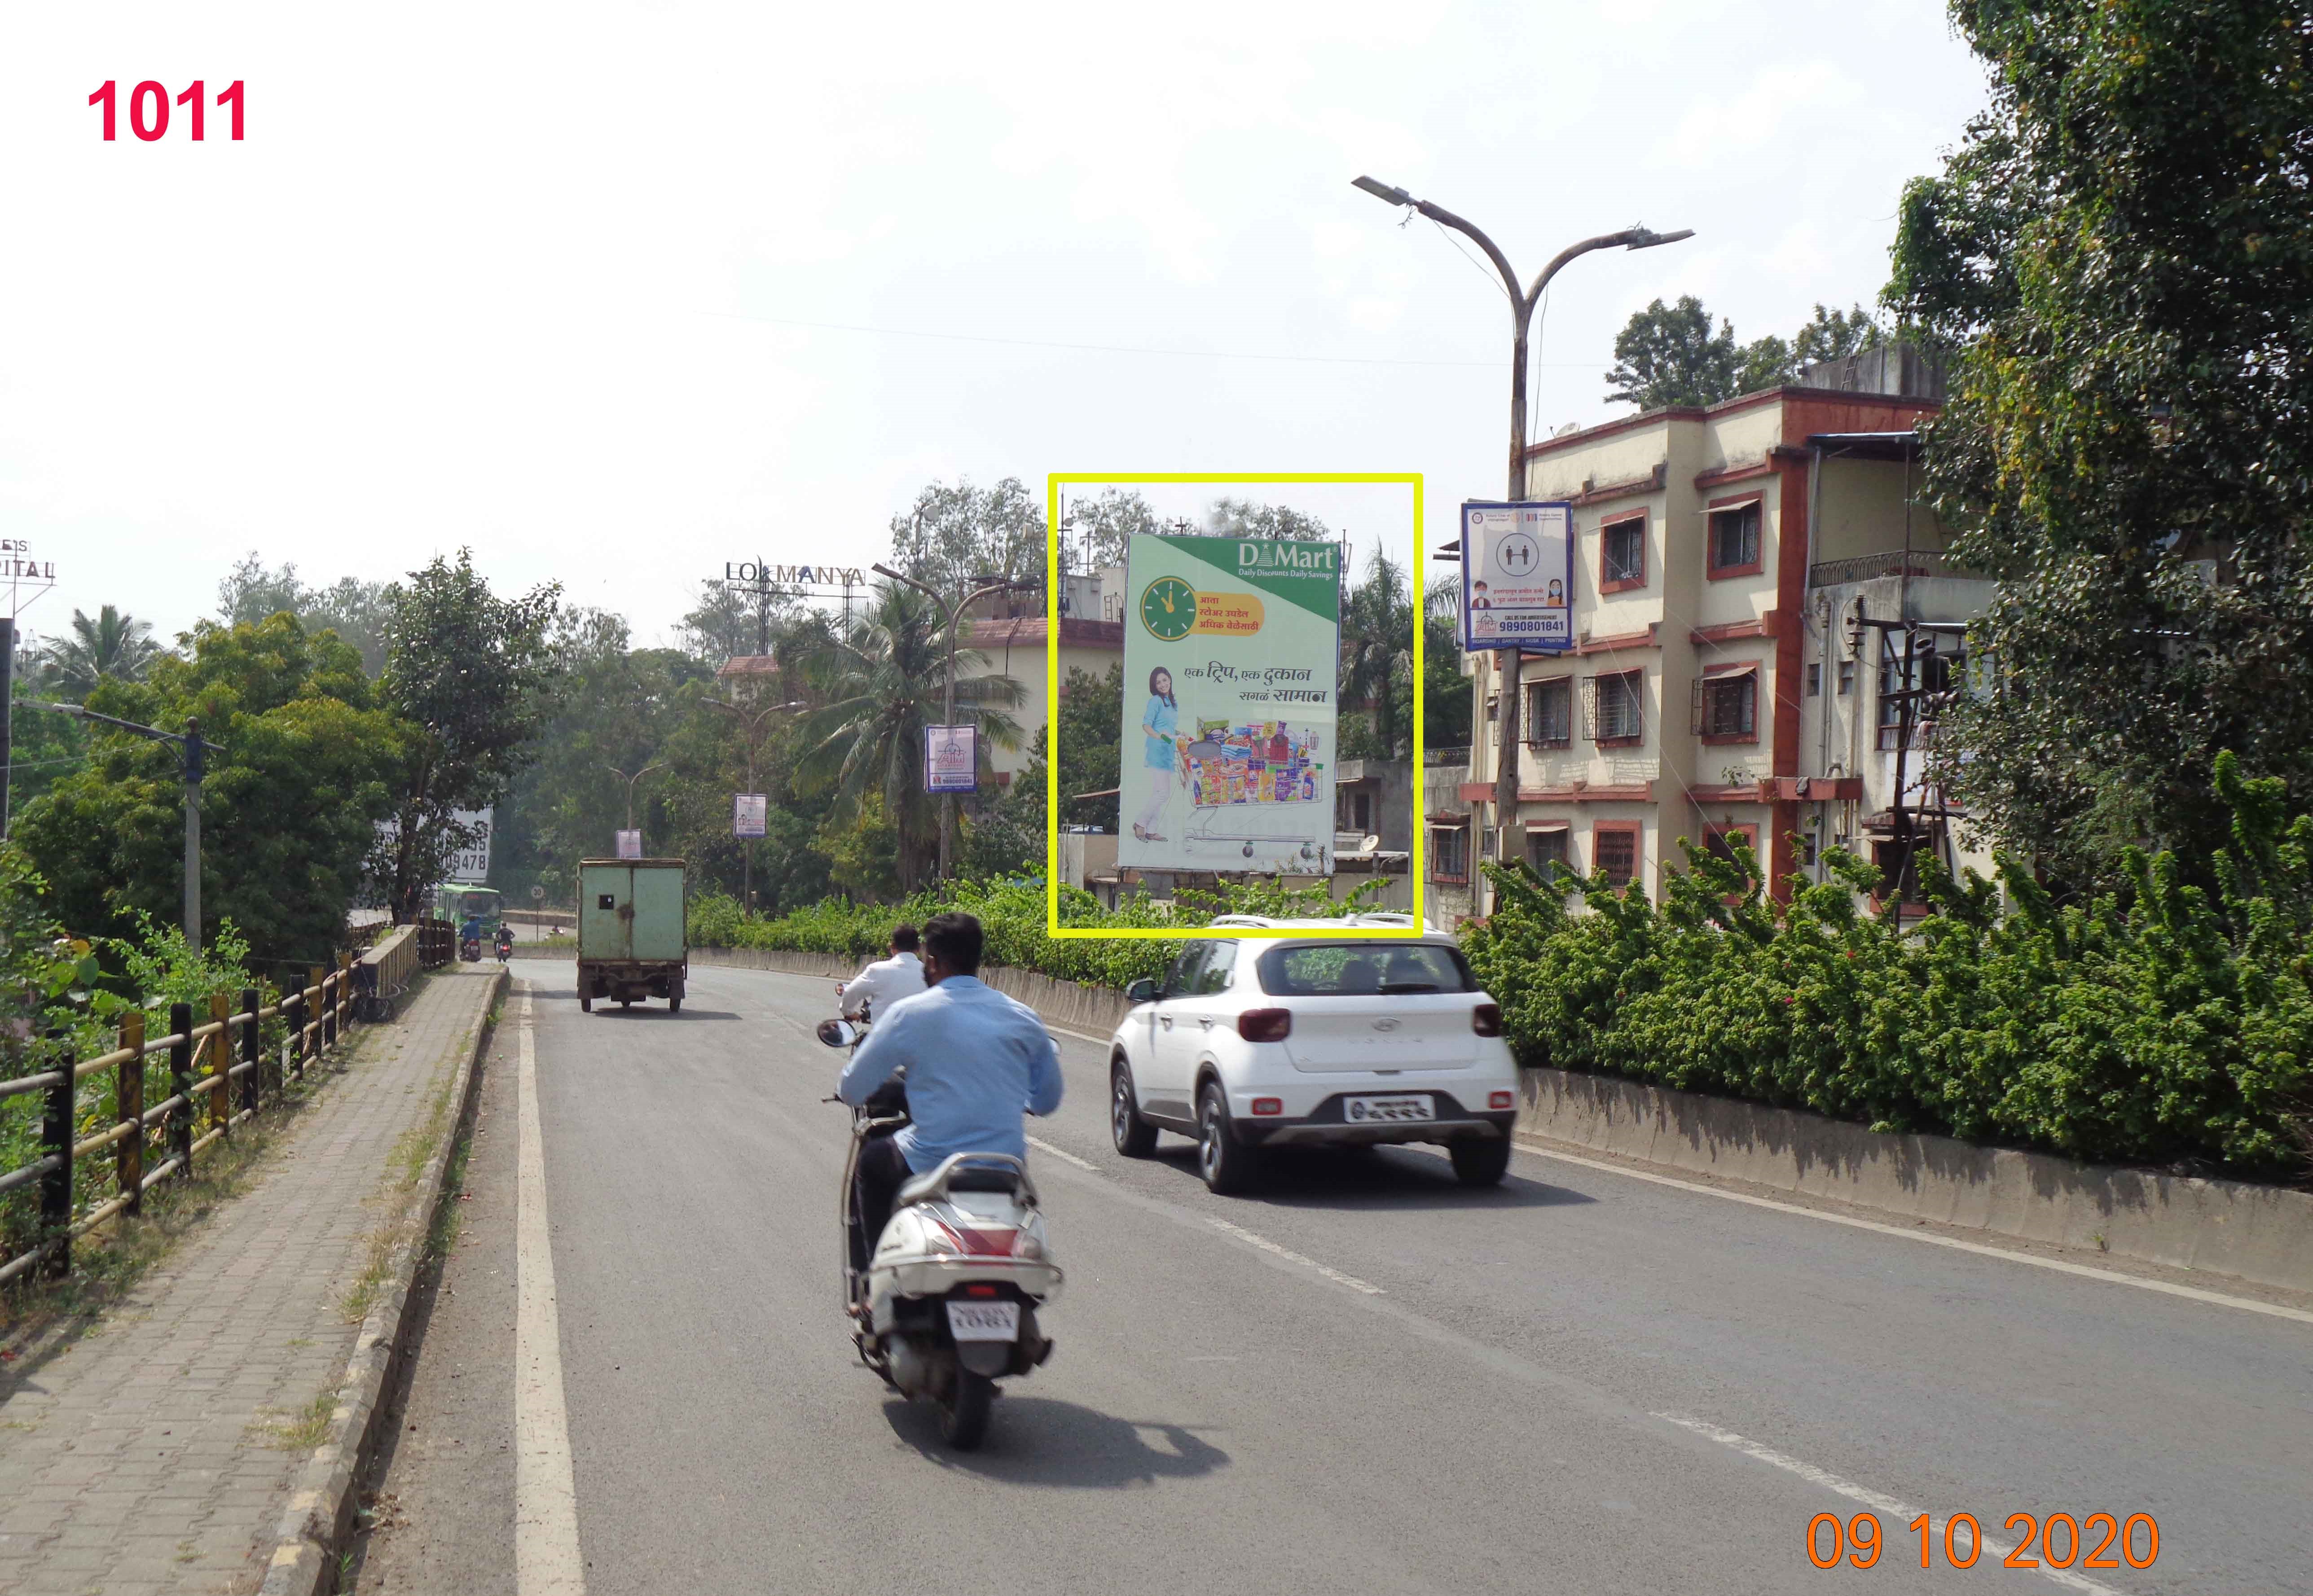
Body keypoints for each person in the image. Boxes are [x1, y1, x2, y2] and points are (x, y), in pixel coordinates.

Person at [838, 912, 1063, 1277]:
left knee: (872, 1163)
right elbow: (1047, 1101)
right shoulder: (1024, 1018)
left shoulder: (909, 1015)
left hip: (929, 1163)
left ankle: (872, 1279)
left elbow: (852, 1089)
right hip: (1006, 1168)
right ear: (977, 960)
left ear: (933, 961)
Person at [837, 923, 926, 1021]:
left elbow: (850, 992)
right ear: (919, 948)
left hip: (885, 1035)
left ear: (892, 947)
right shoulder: (930, 973)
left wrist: (849, 1013)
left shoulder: (877, 970)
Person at [1131, 666, 1180, 843]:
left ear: (1170, 679)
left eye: (1165, 680)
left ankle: (1151, 830)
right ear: (1154, 686)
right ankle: (1140, 824)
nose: (1162, 685)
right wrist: (1159, 736)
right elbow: (1146, 725)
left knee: (1161, 793)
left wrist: (1181, 734)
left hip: (1168, 751)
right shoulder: (1155, 701)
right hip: (1157, 750)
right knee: (1162, 793)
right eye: (1158, 682)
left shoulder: (1173, 703)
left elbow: (1170, 727)